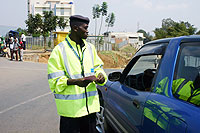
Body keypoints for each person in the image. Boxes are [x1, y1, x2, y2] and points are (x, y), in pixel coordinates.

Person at [48, 15, 107, 133]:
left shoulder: (91, 48)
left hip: (90, 111)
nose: (87, 31)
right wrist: (75, 82)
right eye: (85, 28)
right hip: (71, 114)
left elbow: (98, 67)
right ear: (75, 28)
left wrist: (100, 76)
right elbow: (54, 82)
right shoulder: (59, 51)